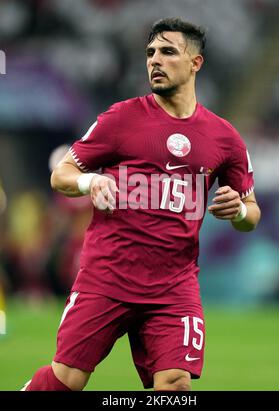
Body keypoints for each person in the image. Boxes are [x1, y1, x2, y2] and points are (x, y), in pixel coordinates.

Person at [22, 17, 261, 391]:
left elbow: (252, 213)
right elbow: (61, 174)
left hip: (174, 286)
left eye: (168, 52)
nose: (155, 60)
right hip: (108, 277)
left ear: (196, 63)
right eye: (150, 53)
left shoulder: (224, 138)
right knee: (67, 380)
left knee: (176, 386)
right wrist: (90, 180)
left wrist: (240, 211)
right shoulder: (120, 119)